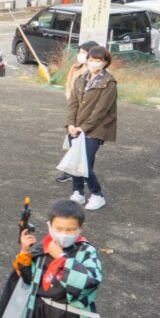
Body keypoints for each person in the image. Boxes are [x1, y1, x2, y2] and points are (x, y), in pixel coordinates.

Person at [66, 46, 117, 211]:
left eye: (98, 60)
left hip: (96, 129)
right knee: (75, 160)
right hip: (76, 127)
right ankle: (78, 192)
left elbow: (101, 111)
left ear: (105, 62)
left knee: (84, 164)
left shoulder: (109, 83)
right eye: (91, 60)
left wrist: (83, 127)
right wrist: (70, 124)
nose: (93, 63)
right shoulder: (81, 78)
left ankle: (97, 195)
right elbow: (73, 104)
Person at [57, 41, 99, 183]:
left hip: (88, 113)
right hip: (74, 109)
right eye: (79, 52)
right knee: (72, 141)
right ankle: (70, 172)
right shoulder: (76, 67)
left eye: (83, 52)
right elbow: (68, 84)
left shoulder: (97, 73)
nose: (80, 55)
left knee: (87, 146)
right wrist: (70, 98)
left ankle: (86, 174)